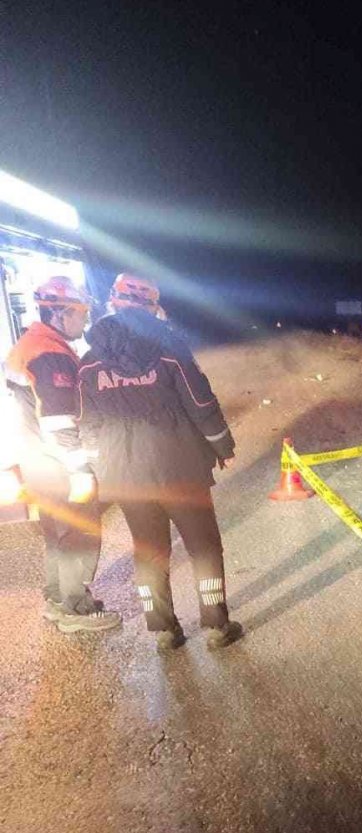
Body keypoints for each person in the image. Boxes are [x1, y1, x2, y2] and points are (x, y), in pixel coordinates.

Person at [78, 274, 242, 652]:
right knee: (203, 547)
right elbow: (201, 404)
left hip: (127, 477)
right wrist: (223, 446)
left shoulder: (89, 363)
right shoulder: (170, 348)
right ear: (151, 306)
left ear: (113, 302)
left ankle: (164, 631)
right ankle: (217, 626)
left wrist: (101, 469)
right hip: (180, 469)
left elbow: (87, 423)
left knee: (148, 551)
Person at [4, 277, 121, 633]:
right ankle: (76, 609)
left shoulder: (31, 344)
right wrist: (80, 468)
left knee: (57, 530)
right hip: (59, 462)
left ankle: (57, 598)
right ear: (60, 313)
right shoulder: (50, 353)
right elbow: (57, 417)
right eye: (80, 314)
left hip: (37, 460)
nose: (84, 321)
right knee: (80, 529)